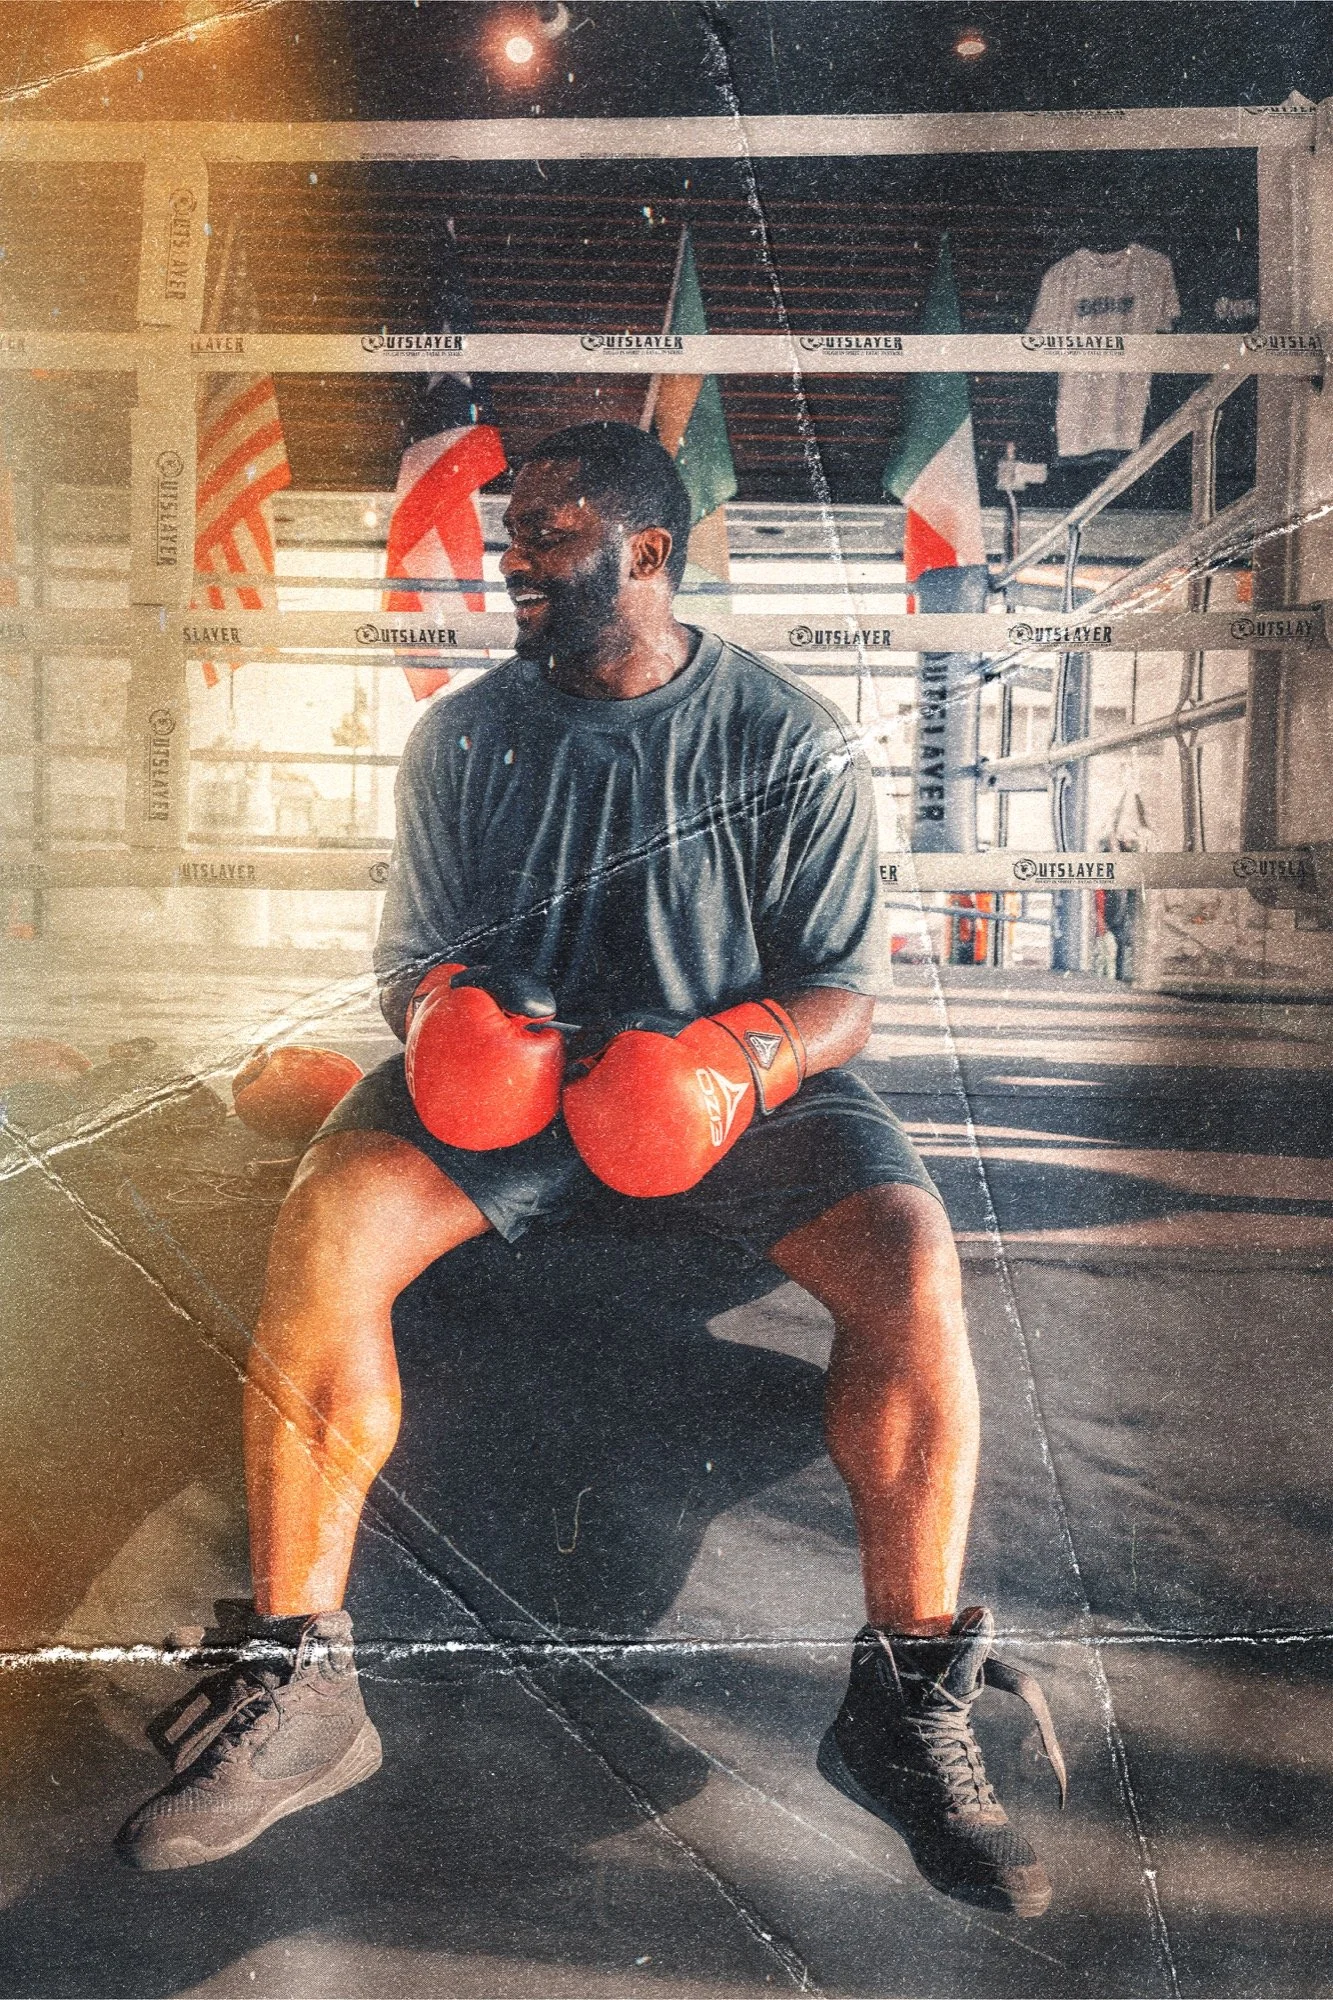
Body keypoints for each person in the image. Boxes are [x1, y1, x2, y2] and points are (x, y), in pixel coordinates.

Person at [116, 422, 1065, 1916]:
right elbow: (410, 959)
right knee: (324, 1228)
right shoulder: (465, 738)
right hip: (506, 1089)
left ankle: (904, 1700)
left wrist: (732, 1063)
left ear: (646, 552)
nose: (514, 566)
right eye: (511, 540)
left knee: (910, 1262)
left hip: (724, 1085)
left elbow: (841, 993)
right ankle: (300, 1687)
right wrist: (446, 1023)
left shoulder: (789, 740)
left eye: (547, 539)